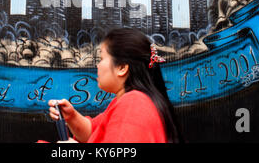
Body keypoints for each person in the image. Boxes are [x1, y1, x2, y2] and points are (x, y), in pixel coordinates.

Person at [48, 28, 184, 143]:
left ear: (122, 68)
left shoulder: (133, 105)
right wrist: (71, 116)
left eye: (101, 59)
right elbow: (93, 132)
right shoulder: (128, 100)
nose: (97, 65)